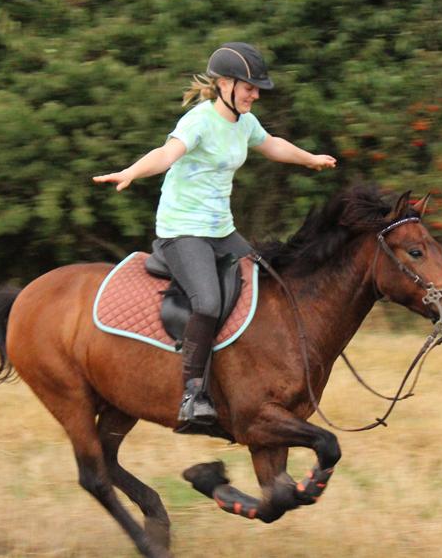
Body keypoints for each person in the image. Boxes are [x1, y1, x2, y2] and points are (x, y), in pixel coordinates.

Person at [93, 42, 336, 427]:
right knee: (206, 301)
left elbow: (271, 145)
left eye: (257, 89)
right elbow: (165, 155)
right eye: (249, 87)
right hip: (182, 231)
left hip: (220, 230)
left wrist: (310, 159)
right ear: (224, 83)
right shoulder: (199, 121)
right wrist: (130, 172)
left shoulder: (245, 122)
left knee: (271, 279)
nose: (255, 94)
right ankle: (193, 393)